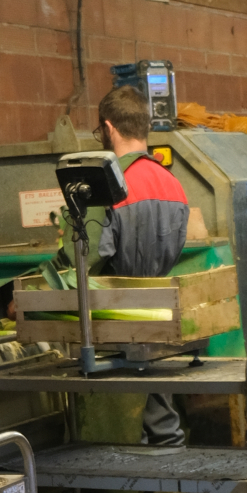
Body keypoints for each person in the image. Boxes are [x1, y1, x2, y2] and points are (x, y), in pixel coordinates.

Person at [91, 84, 190, 448]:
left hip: (114, 322)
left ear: (108, 128)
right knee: (160, 413)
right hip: (158, 314)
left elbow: (89, 257)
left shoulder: (109, 185)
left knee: (118, 428)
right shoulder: (174, 185)